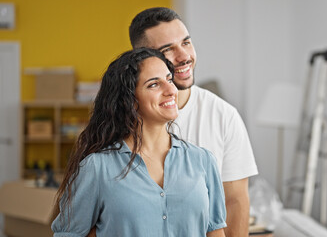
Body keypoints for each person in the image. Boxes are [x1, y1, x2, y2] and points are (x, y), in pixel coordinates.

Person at [51, 48, 227, 237]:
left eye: (169, 79)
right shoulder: (97, 167)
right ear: (130, 100)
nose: (171, 90)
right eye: (154, 85)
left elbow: (215, 232)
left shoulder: (203, 161)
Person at [129, 7, 258, 236]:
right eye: (167, 49)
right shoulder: (118, 119)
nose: (183, 56)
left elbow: (236, 202)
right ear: (142, 58)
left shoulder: (224, 116)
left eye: (186, 43)